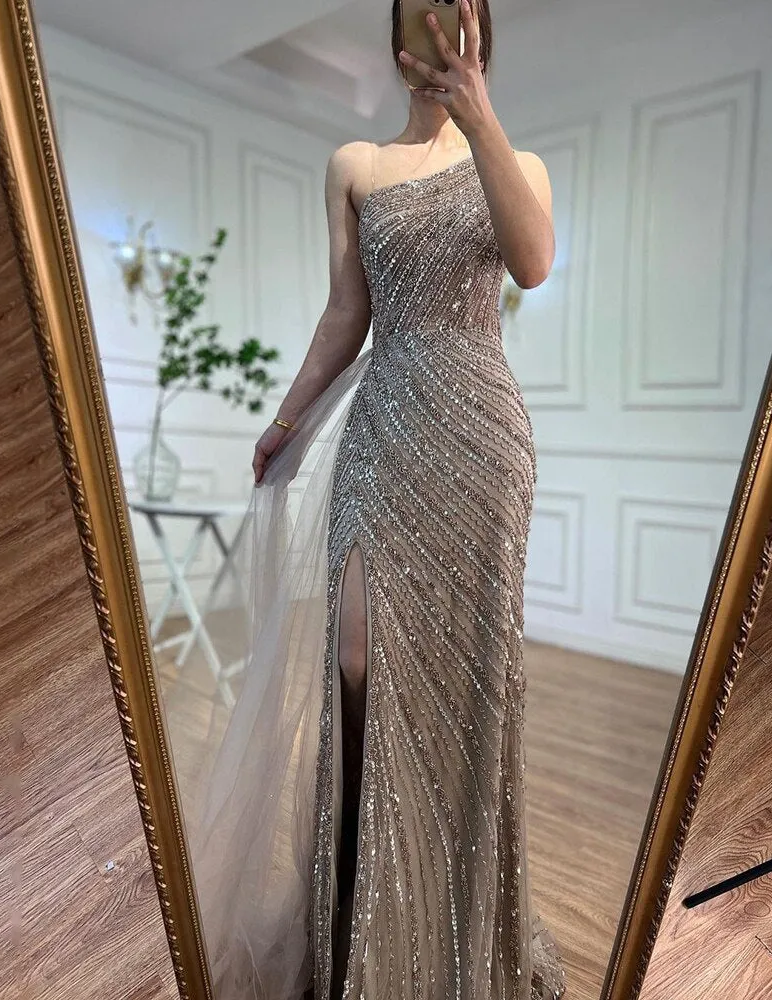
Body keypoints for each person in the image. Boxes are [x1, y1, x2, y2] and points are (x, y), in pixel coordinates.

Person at [190, 1, 566, 998]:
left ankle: (449, 920)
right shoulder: (354, 164)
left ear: (481, 35)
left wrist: (480, 115)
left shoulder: (518, 165)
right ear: (399, 46)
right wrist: (284, 419)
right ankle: (360, 907)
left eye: (457, 14)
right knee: (354, 659)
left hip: (480, 437)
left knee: (472, 678)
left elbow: (532, 263)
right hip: (383, 424)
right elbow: (346, 312)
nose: (440, 32)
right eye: (420, 17)